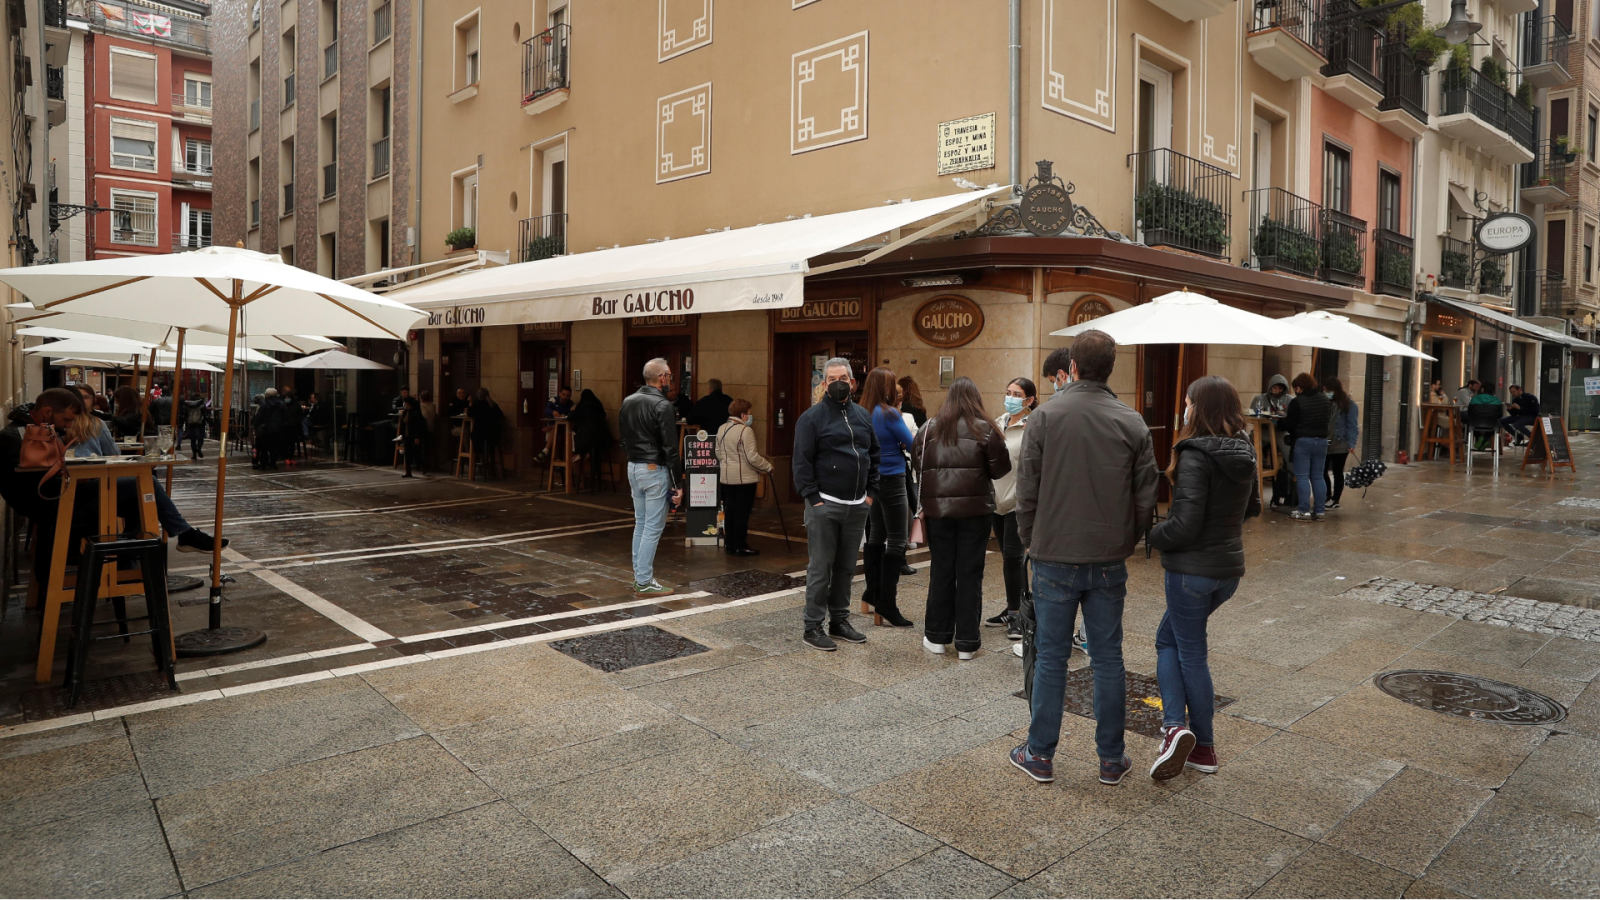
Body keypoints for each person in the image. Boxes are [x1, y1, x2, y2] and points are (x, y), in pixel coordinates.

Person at [1011, 330, 1157, 787]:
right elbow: (1145, 497)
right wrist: (1125, 539)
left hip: (1054, 553)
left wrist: (1030, 539)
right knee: (1108, 657)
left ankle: (1040, 754)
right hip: (1108, 556)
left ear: (1071, 367)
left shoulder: (1046, 416)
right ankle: (1111, 759)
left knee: (1052, 657)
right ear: (1111, 369)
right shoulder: (1131, 421)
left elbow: (1026, 491)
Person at [1146, 376, 1260, 780]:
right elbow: (1253, 509)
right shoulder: (1245, 448)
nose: (1185, 408)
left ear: (1199, 407)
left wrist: (1149, 534)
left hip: (1191, 571)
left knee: (1188, 651)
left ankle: (1184, 733)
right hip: (1227, 571)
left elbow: (1184, 526)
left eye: (1188, 402)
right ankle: (1195, 745)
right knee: (1172, 641)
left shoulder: (1194, 453)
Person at [64, 385, 228, 553]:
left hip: (70, 492)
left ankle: (134, 554)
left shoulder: (57, 425)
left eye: (87, 397)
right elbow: (113, 453)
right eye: (82, 398)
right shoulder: (93, 423)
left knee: (142, 494)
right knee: (146, 486)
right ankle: (142, 551)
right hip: (86, 493)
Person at [913, 377, 1010, 659]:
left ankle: (936, 637)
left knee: (941, 571)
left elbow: (917, 463)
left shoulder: (928, 427)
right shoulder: (986, 429)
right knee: (970, 574)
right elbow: (1000, 469)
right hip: (976, 512)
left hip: (938, 513)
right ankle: (967, 643)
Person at [793, 356, 878, 652]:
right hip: (825, 505)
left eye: (843, 378)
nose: (839, 383)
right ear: (824, 384)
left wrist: (870, 495)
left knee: (845, 568)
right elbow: (801, 463)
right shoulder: (812, 418)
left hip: (857, 505)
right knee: (820, 568)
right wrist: (814, 500)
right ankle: (812, 626)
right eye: (832, 379)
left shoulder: (864, 416)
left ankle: (839, 620)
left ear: (852, 382)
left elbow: (873, 455)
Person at [620, 358, 684, 594]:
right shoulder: (663, 405)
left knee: (641, 523)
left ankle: (640, 576)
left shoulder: (628, 401)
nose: (670, 380)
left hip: (634, 466)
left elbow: (624, 439)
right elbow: (670, 448)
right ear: (662, 377)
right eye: (669, 375)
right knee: (652, 527)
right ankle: (644, 580)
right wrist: (678, 484)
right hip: (654, 469)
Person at [859, 367, 915, 627]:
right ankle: (887, 603)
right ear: (885, 388)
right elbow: (911, 443)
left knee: (876, 536)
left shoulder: (862, 411)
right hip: (892, 477)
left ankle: (871, 593)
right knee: (897, 539)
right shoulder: (890, 412)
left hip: (871, 479)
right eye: (892, 384)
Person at [986, 377, 1036, 640]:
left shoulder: (1033, 426)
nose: (1011, 398)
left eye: (1017, 394)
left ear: (1029, 400)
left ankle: (1019, 613)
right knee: (1007, 558)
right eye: (1008, 392)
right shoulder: (999, 421)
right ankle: (1012, 606)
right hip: (997, 500)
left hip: (1018, 502)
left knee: (1015, 559)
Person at [715, 398, 772, 557]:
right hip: (744, 479)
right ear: (742, 414)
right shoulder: (745, 431)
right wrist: (768, 467)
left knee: (730, 511)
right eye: (749, 413)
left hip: (726, 477)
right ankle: (741, 544)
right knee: (742, 512)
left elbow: (718, 453)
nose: (750, 416)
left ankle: (730, 543)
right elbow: (752, 457)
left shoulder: (722, 428)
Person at [1283, 373, 1331, 522]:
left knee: (1303, 476)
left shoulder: (1298, 402)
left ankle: (1304, 511)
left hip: (1303, 441)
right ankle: (1320, 511)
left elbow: (1289, 425)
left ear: (1299, 387)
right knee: (1318, 476)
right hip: (1322, 441)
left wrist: (1278, 422)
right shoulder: (1325, 399)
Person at [1323, 376, 1359, 510]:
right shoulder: (1325, 402)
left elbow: (1353, 425)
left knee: (1338, 472)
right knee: (1322, 471)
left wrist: (1351, 443)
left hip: (1341, 443)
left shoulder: (1349, 404)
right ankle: (1327, 495)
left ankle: (1335, 499)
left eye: (1327, 390)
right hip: (1325, 443)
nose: (1325, 392)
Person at [468, 388, 505, 479]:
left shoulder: (477, 404)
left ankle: (479, 460)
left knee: (473, 437)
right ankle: (494, 470)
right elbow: (501, 415)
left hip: (480, 435)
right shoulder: (493, 404)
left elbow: (469, 413)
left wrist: (470, 404)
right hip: (494, 435)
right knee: (489, 446)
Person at [535, 387, 574, 464]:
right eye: (563, 395)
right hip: (556, 428)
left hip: (564, 428)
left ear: (570, 396)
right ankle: (557, 460)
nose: (565, 397)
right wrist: (553, 412)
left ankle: (546, 450)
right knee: (557, 437)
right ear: (560, 394)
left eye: (567, 395)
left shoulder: (571, 404)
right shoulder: (553, 400)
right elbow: (546, 410)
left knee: (556, 430)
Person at [254, 387, 287, 470]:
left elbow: (259, 417)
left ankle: (263, 464)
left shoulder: (264, 404)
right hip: (277, 429)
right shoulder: (281, 404)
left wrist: (256, 427)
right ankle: (273, 463)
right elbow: (285, 416)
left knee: (264, 448)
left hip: (265, 429)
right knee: (274, 447)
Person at [399, 395, 430, 477]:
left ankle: (424, 465)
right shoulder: (405, 412)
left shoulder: (416, 413)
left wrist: (417, 437)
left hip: (414, 436)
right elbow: (403, 424)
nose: (405, 404)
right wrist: (402, 435)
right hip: (406, 435)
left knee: (415, 453)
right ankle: (408, 472)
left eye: (406, 403)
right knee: (407, 453)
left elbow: (418, 426)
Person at [183, 392, 208, 460]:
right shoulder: (202, 405)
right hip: (200, 423)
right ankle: (198, 448)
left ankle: (194, 455)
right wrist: (210, 423)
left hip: (191, 424)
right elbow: (206, 415)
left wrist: (183, 422)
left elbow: (185, 414)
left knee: (193, 440)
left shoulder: (188, 405)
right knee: (201, 438)